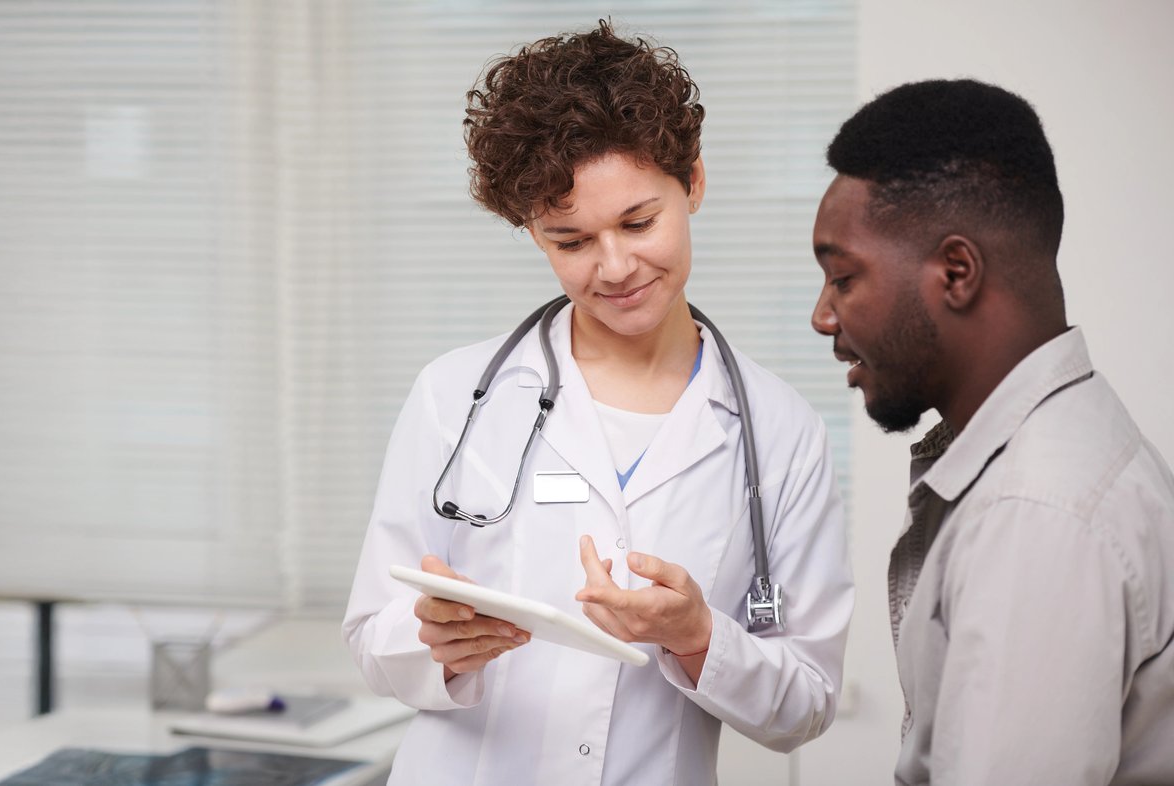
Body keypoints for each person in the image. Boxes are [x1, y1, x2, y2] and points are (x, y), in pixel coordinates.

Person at [343, 21, 853, 784]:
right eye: (570, 240)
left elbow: (805, 704)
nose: (614, 266)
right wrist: (435, 646)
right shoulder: (456, 396)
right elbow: (372, 638)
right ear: (533, 232)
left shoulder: (779, 433)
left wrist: (699, 635)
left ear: (696, 183)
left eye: (639, 222)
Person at [811, 79, 1174, 784]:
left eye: (843, 277)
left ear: (956, 272)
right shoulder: (1068, 452)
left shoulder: (1036, 516)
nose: (824, 317)